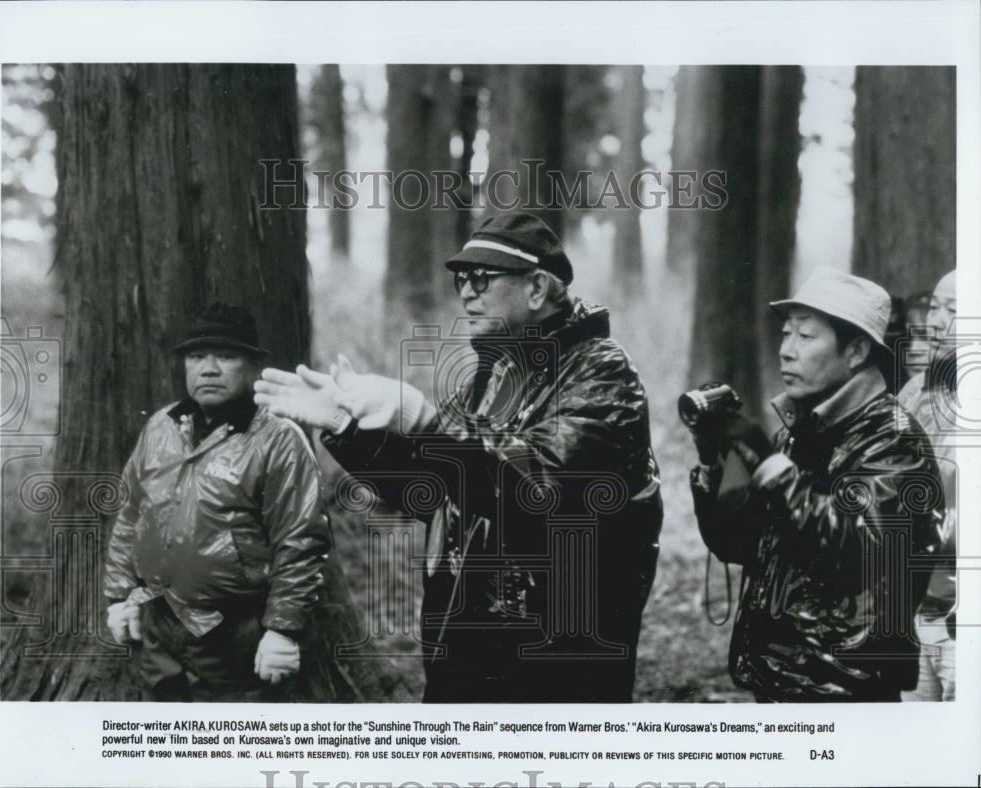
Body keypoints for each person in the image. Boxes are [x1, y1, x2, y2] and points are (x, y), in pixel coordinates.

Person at [255, 212, 663, 702]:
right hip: (468, 654)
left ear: (536, 289)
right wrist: (345, 430)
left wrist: (427, 422)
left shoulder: (601, 373)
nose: (466, 292)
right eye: (460, 279)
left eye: (482, 278)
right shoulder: (488, 377)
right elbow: (429, 492)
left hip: (557, 665)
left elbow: (541, 492)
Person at [687, 266, 944, 702]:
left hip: (843, 689)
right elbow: (739, 545)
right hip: (779, 680)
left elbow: (854, 544)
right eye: (786, 335)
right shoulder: (799, 431)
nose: (787, 351)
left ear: (858, 350)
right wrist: (712, 463)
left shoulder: (893, 438)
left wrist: (770, 466)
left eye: (805, 338)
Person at [103, 302, 328, 702]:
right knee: (165, 745)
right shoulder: (161, 426)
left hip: (236, 634)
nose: (208, 368)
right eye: (196, 356)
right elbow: (131, 513)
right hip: (159, 626)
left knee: (233, 747)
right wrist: (120, 596)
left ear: (254, 366)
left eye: (225, 356)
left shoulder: (278, 440)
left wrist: (283, 630)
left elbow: (301, 541)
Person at [899, 270, 956, 701]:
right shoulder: (914, 391)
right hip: (915, 609)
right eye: (934, 307)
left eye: (952, 310)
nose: (935, 322)